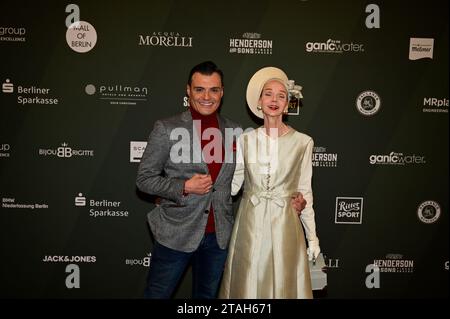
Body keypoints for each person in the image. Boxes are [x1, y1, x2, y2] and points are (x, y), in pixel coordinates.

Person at [136, 61, 307, 299]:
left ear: (222, 92)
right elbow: (144, 179)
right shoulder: (166, 128)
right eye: (199, 89)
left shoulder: (237, 132)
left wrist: (293, 196)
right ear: (188, 90)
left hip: (218, 239)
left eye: (214, 90)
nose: (207, 96)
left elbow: (257, 174)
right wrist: (183, 186)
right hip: (176, 234)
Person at [219, 66, 321, 299]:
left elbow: (305, 191)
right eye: (268, 93)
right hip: (249, 225)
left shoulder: (303, 142)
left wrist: (313, 238)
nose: (274, 100)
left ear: (287, 105)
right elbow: (233, 185)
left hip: (285, 224)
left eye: (281, 95)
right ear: (259, 101)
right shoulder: (245, 139)